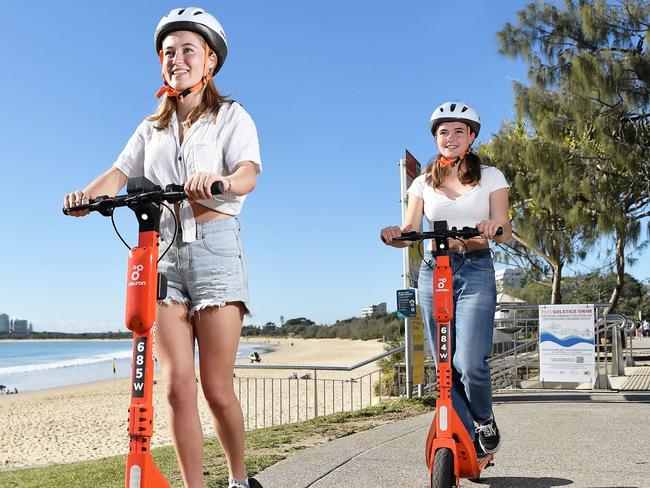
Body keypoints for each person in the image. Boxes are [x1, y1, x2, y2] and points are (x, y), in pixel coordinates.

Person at [64, 7, 262, 488]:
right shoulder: (149, 127)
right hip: (162, 255)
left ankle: (238, 479)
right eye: (168, 52)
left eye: (187, 50)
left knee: (216, 388)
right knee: (176, 389)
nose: (176, 58)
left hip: (215, 250)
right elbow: (118, 172)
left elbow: (248, 175)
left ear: (209, 60)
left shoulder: (231, 116)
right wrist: (85, 196)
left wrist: (220, 180)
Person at [380, 101, 512, 456]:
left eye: (458, 130)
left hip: (476, 267)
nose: (450, 137)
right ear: (436, 138)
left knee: (468, 363)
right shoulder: (423, 183)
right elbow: (409, 229)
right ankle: (468, 435)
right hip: (433, 269)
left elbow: (505, 228)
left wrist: (492, 226)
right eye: (443, 132)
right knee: (443, 365)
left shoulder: (492, 176)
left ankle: (483, 419)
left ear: (471, 137)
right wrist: (394, 234)